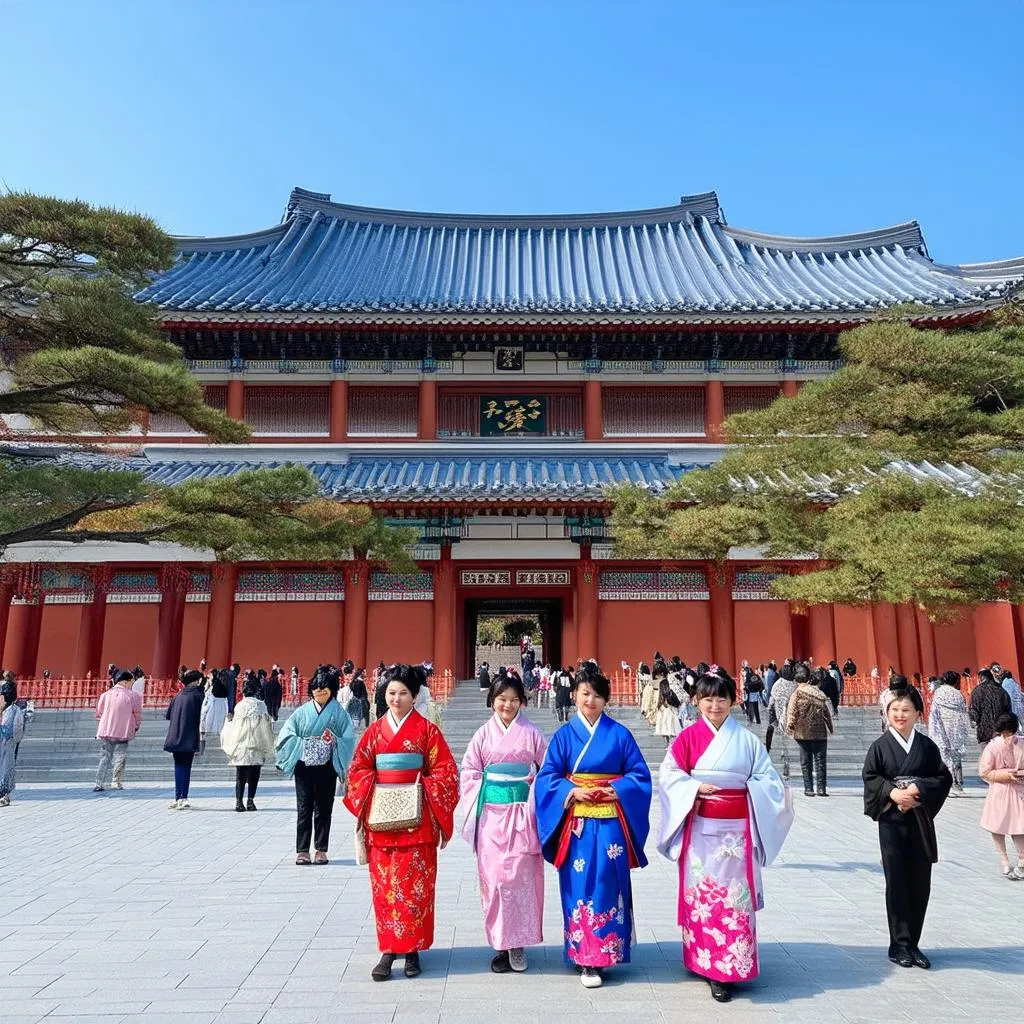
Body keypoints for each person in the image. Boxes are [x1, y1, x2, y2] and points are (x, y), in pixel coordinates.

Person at [657, 670, 793, 1003]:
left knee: (735, 899)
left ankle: (733, 961)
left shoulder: (746, 740)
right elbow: (669, 776)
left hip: (738, 832)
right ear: (696, 701)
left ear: (733, 700)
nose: (714, 705)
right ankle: (707, 963)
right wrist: (693, 787)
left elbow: (769, 781)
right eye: (707, 699)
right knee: (705, 897)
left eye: (721, 698)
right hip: (702, 831)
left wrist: (747, 790)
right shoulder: (687, 738)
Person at [534, 665, 652, 989]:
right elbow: (547, 778)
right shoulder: (563, 737)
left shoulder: (619, 735)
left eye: (598, 695)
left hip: (611, 821)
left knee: (607, 883)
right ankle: (585, 955)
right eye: (585, 693)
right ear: (574, 695)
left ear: (605, 699)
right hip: (578, 824)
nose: (591, 700)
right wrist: (571, 791)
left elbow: (640, 775)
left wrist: (620, 789)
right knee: (579, 883)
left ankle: (608, 949)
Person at [344, 664, 459, 982]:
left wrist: (421, 786)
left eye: (403, 693)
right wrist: (378, 785)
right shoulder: (374, 732)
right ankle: (388, 949)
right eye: (391, 693)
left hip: (417, 818)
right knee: (386, 889)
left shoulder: (427, 731)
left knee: (415, 889)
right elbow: (357, 769)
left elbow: (446, 772)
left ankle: (412, 950)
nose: (396, 699)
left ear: (415, 695)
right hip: (382, 818)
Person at [457, 674, 547, 973]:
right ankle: (499, 944)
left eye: (513, 699)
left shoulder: (532, 732)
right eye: (501, 699)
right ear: (492, 701)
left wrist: (532, 796)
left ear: (522, 700)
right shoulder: (482, 735)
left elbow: (547, 772)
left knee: (521, 880)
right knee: (495, 882)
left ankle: (518, 944)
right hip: (491, 819)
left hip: (523, 815)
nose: (507, 705)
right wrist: (483, 792)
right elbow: (469, 771)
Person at [863, 681, 952, 969]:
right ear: (887, 713)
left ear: (918, 714)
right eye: (895, 710)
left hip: (919, 819)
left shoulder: (926, 747)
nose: (900, 715)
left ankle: (914, 942)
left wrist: (917, 792)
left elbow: (942, 778)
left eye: (906, 710)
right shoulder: (880, 747)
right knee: (897, 881)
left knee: (920, 881)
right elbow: (871, 778)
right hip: (892, 821)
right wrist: (893, 793)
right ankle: (898, 943)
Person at [276, 664, 356, 865]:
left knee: (324, 807)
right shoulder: (302, 712)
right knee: (304, 806)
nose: (320, 691)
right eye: (316, 687)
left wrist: (335, 740)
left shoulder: (339, 713)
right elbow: (286, 734)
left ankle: (321, 849)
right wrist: (302, 743)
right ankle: (302, 849)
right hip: (303, 764)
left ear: (332, 689)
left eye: (324, 687)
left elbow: (348, 738)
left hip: (327, 764)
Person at [978, 711, 1024, 879]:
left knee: (1018, 826)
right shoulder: (993, 746)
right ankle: (1004, 860)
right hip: (1002, 790)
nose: (1009, 735)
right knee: (998, 827)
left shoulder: (1020, 743)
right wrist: (1006, 774)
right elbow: (985, 772)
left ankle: (1021, 859)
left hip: (1015, 790)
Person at [220, 674, 276, 811]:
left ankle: (239, 802)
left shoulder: (239, 706)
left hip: (241, 746)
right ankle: (250, 801)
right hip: (256, 746)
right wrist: (268, 743)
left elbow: (234, 727)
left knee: (240, 775)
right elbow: (266, 726)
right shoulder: (261, 706)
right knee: (254, 774)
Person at [786, 666, 834, 797]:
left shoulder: (797, 693)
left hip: (803, 732)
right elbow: (826, 713)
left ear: (796, 679)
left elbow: (792, 712)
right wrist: (830, 727)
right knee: (820, 762)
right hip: (819, 732)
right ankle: (821, 789)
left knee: (806, 762)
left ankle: (808, 788)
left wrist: (790, 726)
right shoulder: (818, 694)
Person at [93, 669, 143, 792]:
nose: (132, 684)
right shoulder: (134, 696)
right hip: (123, 729)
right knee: (120, 755)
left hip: (106, 729)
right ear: (125, 682)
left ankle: (99, 782)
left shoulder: (105, 695)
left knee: (105, 756)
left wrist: (103, 721)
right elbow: (137, 713)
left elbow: (99, 712)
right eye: (131, 681)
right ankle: (116, 781)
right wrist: (136, 725)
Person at [164, 669, 205, 809]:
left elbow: (168, 715)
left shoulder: (178, 695)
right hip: (189, 735)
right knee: (186, 766)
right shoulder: (198, 695)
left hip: (175, 735)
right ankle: (183, 797)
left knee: (179, 766)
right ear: (196, 681)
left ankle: (178, 796)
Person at [927, 670, 970, 795]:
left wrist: (932, 729)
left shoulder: (938, 693)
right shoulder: (959, 695)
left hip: (941, 729)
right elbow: (963, 713)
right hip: (956, 729)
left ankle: (948, 783)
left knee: (944, 756)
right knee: (956, 755)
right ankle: (958, 782)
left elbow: (934, 712)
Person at [766, 663, 798, 780]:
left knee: (782, 741)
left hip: (779, 718)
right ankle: (787, 764)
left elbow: (770, 703)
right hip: (793, 718)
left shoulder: (777, 685)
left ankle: (772, 752)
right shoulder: (795, 686)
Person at [0, 679, 26, 807]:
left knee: (5, 767)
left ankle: (4, 794)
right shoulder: (14, 709)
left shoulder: (12, 710)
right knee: (6, 767)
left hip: (6, 741)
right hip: (8, 742)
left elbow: (12, 727)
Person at [969, 668, 1011, 746]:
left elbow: (974, 713)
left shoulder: (977, 691)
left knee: (987, 756)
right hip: (1000, 730)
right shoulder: (1001, 690)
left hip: (985, 732)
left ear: (981, 678)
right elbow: (1008, 709)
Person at [200, 668, 230, 748]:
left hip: (211, 707)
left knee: (210, 722)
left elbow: (206, 703)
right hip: (218, 708)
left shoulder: (214, 688)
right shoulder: (219, 686)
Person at [654, 663, 682, 743]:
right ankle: (673, 742)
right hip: (671, 705)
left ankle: (667, 743)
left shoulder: (662, 683)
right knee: (672, 726)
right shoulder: (671, 680)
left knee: (664, 725)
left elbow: (661, 695)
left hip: (664, 706)